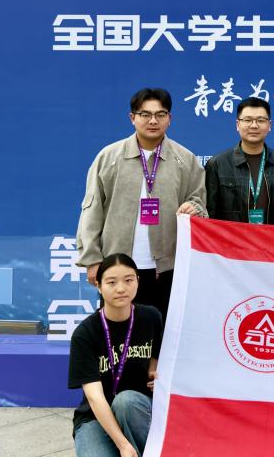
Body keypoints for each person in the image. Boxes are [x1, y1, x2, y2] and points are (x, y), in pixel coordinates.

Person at [76, 87, 206, 318]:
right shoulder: (109, 157)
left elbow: (199, 201)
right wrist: (93, 260)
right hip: (117, 267)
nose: (153, 121)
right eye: (145, 114)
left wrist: (194, 208)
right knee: (118, 332)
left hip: (167, 268)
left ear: (169, 118)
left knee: (160, 332)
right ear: (132, 117)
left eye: (160, 114)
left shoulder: (185, 159)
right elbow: (91, 211)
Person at [68, 253, 163, 457]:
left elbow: (156, 354)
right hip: (97, 414)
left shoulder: (151, 317)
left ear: (138, 282)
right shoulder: (85, 334)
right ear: (98, 286)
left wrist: (155, 372)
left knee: (127, 401)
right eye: (111, 282)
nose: (121, 288)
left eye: (128, 280)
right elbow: (95, 397)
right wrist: (122, 445)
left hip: (137, 409)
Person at [204, 97, 274, 225]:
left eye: (261, 120)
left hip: (271, 236)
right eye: (248, 120)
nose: (254, 125)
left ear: (269, 125)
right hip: (231, 237)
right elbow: (210, 212)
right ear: (237, 124)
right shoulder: (217, 164)